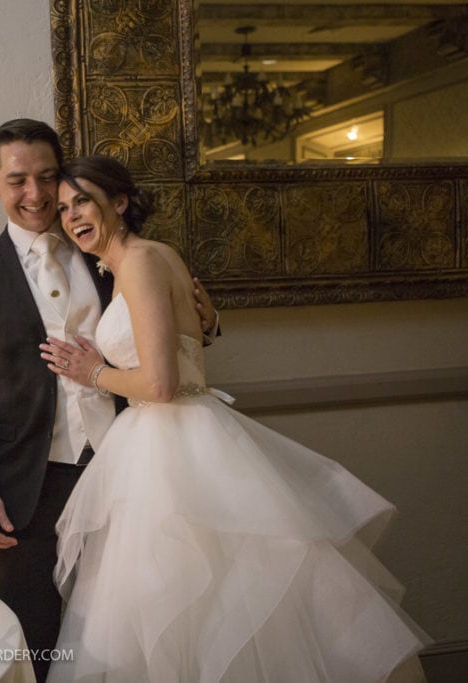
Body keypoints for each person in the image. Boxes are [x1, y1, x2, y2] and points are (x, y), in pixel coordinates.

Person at [40, 155, 431, 682]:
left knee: (191, 600)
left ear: (120, 202)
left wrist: (94, 372)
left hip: (171, 440)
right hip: (179, 435)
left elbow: (160, 384)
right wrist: (204, 326)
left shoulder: (137, 262)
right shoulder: (149, 259)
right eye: (64, 207)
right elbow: (186, 342)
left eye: (82, 200)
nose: (72, 215)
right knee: (208, 600)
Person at [0, 120, 219, 682]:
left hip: (135, 472)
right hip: (29, 482)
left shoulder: (105, 241)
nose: (37, 195)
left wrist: (210, 321)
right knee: (35, 638)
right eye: (18, 180)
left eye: (47, 177)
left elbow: (167, 330)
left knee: (142, 625)